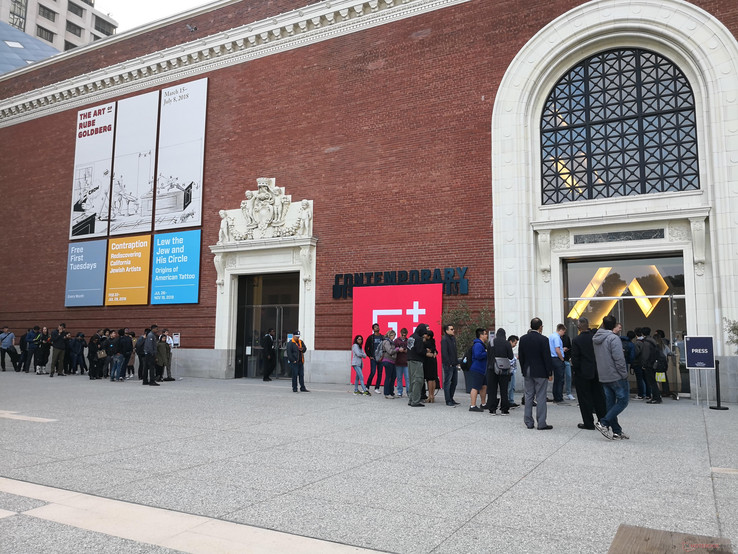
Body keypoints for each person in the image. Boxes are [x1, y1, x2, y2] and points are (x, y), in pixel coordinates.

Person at [593, 315, 630, 440]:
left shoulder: (597, 338)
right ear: (614, 325)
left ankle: (617, 431)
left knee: (610, 403)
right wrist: (624, 374)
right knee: (623, 401)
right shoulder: (613, 339)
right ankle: (603, 422)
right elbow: (619, 359)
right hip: (616, 375)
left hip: (603, 375)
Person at [570, 318, 606, 430]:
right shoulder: (595, 338)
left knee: (584, 398)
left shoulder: (577, 340)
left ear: (579, 327)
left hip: (583, 372)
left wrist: (575, 368)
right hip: (597, 371)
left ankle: (588, 422)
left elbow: (575, 359)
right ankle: (602, 420)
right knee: (599, 397)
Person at [518, 317, 554, 430]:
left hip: (528, 370)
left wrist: (523, 369)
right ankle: (541, 422)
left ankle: (528, 421)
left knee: (528, 396)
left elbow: (521, 356)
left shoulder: (523, 339)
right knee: (541, 397)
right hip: (541, 371)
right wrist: (550, 372)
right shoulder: (543, 339)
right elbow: (546, 357)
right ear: (540, 327)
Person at [487, 328, 513, 415]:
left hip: (492, 368)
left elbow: (488, 355)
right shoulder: (507, 343)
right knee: (504, 389)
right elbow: (510, 356)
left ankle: (492, 408)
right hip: (504, 370)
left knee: (492, 389)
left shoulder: (491, 342)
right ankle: (504, 409)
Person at [406, 323, 430, 407]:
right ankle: (415, 401)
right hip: (417, 361)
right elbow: (420, 351)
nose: (424, 334)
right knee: (418, 380)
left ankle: (411, 399)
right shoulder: (418, 339)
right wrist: (426, 351)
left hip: (409, 360)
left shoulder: (411, 337)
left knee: (412, 380)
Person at [468, 328, 488, 412]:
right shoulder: (478, 345)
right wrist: (487, 352)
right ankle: (472, 405)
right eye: (485, 334)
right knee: (475, 387)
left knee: (483, 386)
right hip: (477, 369)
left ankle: (483, 404)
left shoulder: (481, 344)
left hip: (482, 369)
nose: (487, 335)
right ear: (481, 335)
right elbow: (478, 355)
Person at [441, 324, 460, 407]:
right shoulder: (445, 340)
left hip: (454, 364)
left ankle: (451, 398)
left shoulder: (453, 339)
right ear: (446, 331)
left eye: (453, 329)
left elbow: (454, 352)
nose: (453, 330)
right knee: (447, 382)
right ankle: (448, 400)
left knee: (454, 382)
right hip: (448, 365)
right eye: (451, 329)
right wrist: (448, 363)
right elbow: (444, 353)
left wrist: (456, 362)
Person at [548, 323, 566, 403]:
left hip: (551, 359)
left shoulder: (551, 336)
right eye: (564, 332)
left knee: (556, 380)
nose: (564, 334)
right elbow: (557, 349)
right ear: (561, 330)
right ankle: (559, 397)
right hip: (557, 359)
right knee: (560, 379)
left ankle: (555, 395)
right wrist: (561, 358)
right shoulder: (557, 338)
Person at [381, 330, 398, 399]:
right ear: (390, 335)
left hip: (392, 361)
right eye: (393, 335)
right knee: (388, 377)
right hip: (387, 361)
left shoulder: (391, 342)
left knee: (393, 377)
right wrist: (397, 349)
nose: (394, 337)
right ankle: (386, 393)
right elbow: (390, 351)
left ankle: (391, 392)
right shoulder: (386, 342)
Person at [423, 329, 438, 402]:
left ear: (428, 336)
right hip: (434, 361)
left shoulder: (426, 343)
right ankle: (432, 395)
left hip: (428, 361)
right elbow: (435, 351)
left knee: (429, 379)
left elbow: (424, 351)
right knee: (433, 378)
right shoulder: (433, 342)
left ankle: (429, 396)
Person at [394, 328, 409, 398]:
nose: (404, 336)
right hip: (398, 361)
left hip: (406, 362)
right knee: (399, 378)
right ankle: (400, 391)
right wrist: (398, 349)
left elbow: (411, 349)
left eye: (405, 335)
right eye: (402, 335)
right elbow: (393, 349)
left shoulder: (408, 340)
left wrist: (406, 350)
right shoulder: (396, 341)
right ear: (400, 333)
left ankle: (408, 391)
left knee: (407, 378)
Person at [562, 331, 575, 401]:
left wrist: (569, 356)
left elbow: (570, 347)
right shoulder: (556, 337)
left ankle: (568, 393)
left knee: (569, 376)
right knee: (560, 378)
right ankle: (561, 393)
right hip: (560, 359)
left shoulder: (566, 338)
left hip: (566, 359)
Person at [507, 335, 519, 408]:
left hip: (512, 370)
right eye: (515, 343)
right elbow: (510, 359)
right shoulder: (507, 348)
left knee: (512, 386)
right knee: (510, 386)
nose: (515, 345)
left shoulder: (510, 349)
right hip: (509, 370)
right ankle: (509, 400)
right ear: (510, 341)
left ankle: (511, 400)